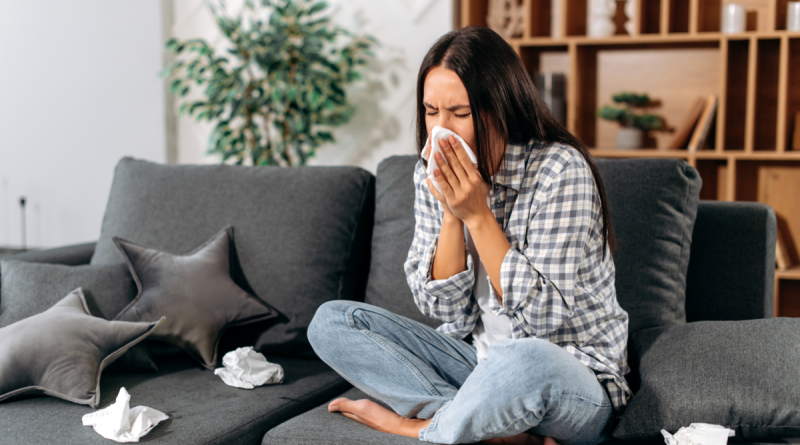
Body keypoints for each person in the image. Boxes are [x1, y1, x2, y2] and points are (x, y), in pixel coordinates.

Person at [307, 26, 631, 445]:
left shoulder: (560, 170)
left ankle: (424, 427)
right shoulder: (428, 174)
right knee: (331, 322)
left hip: (571, 379)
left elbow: (545, 321)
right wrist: (451, 215)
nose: (443, 131)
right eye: (430, 112)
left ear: (502, 108)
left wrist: (478, 216)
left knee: (523, 357)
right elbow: (444, 309)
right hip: (478, 365)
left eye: (459, 114)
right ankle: (496, 430)